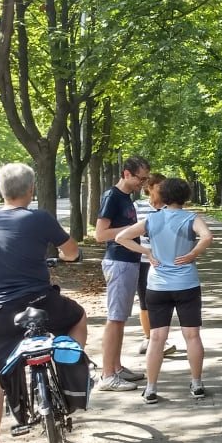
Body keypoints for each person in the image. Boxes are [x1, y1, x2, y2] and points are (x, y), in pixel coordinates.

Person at [0, 163, 86, 443]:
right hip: (39, 302)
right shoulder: (39, 218)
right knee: (77, 317)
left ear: (0, 190)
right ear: (31, 190)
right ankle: (68, 373)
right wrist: (66, 257)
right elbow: (72, 251)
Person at [116, 177, 213, 403]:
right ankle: (197, 384)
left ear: (164, 196)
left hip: (157, 285)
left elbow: (121, 237)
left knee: (157, 338)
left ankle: (151, 388)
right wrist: (192, 254)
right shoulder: (191, 217)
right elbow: (207, 236)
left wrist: (147, 253)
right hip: (187, 283)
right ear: (185, 196)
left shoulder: (152, 219)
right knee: (192, 335)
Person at [94, 155, 151, 392]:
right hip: (118, 262)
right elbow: (100, 234)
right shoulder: (112, 197)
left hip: (130, 261)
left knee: (121, 318)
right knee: (115, 318)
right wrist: (135, 228)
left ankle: (116, 367)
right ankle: (108, 375)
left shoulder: (127, 198)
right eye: (141, 178)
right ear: (127, 174)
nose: (144, 184)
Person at [136, 173, 176, 357]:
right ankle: (149, 338)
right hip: (143, 260)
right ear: (150, 187)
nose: (163, 190)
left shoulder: (170, 208)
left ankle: (160, 338)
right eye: (159, 186)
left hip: (165, 261)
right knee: (144, 301)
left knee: (163, 302)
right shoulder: (137, 207)